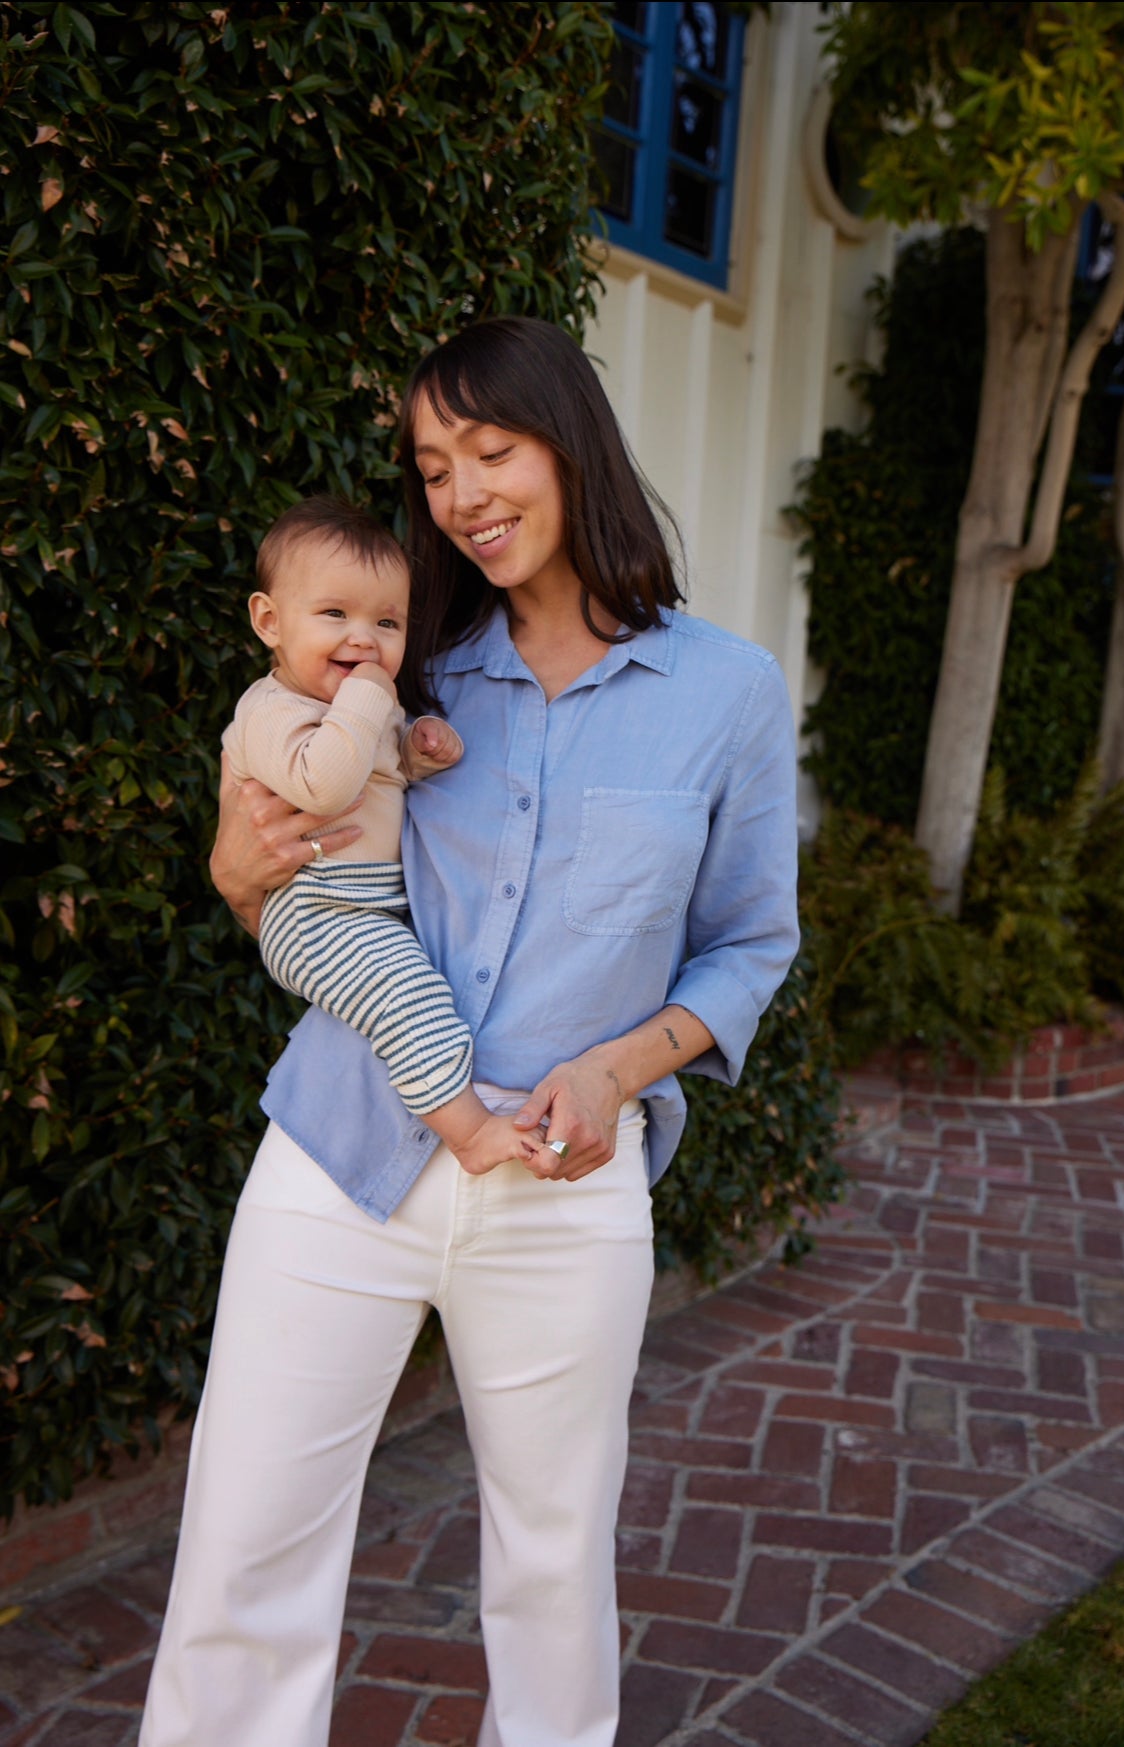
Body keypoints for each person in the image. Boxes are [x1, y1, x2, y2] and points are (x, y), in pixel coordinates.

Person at [139, 315, 799, 1747]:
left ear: (569, 443)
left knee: (552, 1568)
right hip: (339, 1154)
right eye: (431, 465)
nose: (458, 492)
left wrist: (614, 1067)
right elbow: (271, 875)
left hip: (565, 1188)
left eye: (487, 449)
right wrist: (236, 869)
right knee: (245, 1550)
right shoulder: (394, 661)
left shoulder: (726, 692)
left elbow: (750, 940)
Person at [223, 493, 544, 1176]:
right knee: (408, 999)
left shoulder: (350, 707)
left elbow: (378, 775)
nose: (364, 638)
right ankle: (469, 1133)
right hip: (314, 914)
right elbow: (324, 785)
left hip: (360, 906)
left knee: (419, 994)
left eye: (387, 621)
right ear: (269, 621)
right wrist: (371, 698)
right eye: (334, 613)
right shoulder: (271, 709)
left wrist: (416, 752)